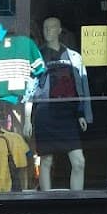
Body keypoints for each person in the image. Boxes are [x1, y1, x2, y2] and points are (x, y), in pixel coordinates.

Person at [34, 17, 91, 191]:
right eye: (45, 28)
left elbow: (81, 86)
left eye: (51, 28)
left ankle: (77, 202)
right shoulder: (38, 55)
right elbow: (31, 86)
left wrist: (82, 113)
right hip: (45, 112)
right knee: (46, 160)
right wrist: (28, 115)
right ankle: (46, 202)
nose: (47, 31)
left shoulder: (73, 57)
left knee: (79, 161)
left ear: (59, 30)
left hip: (67, 114)